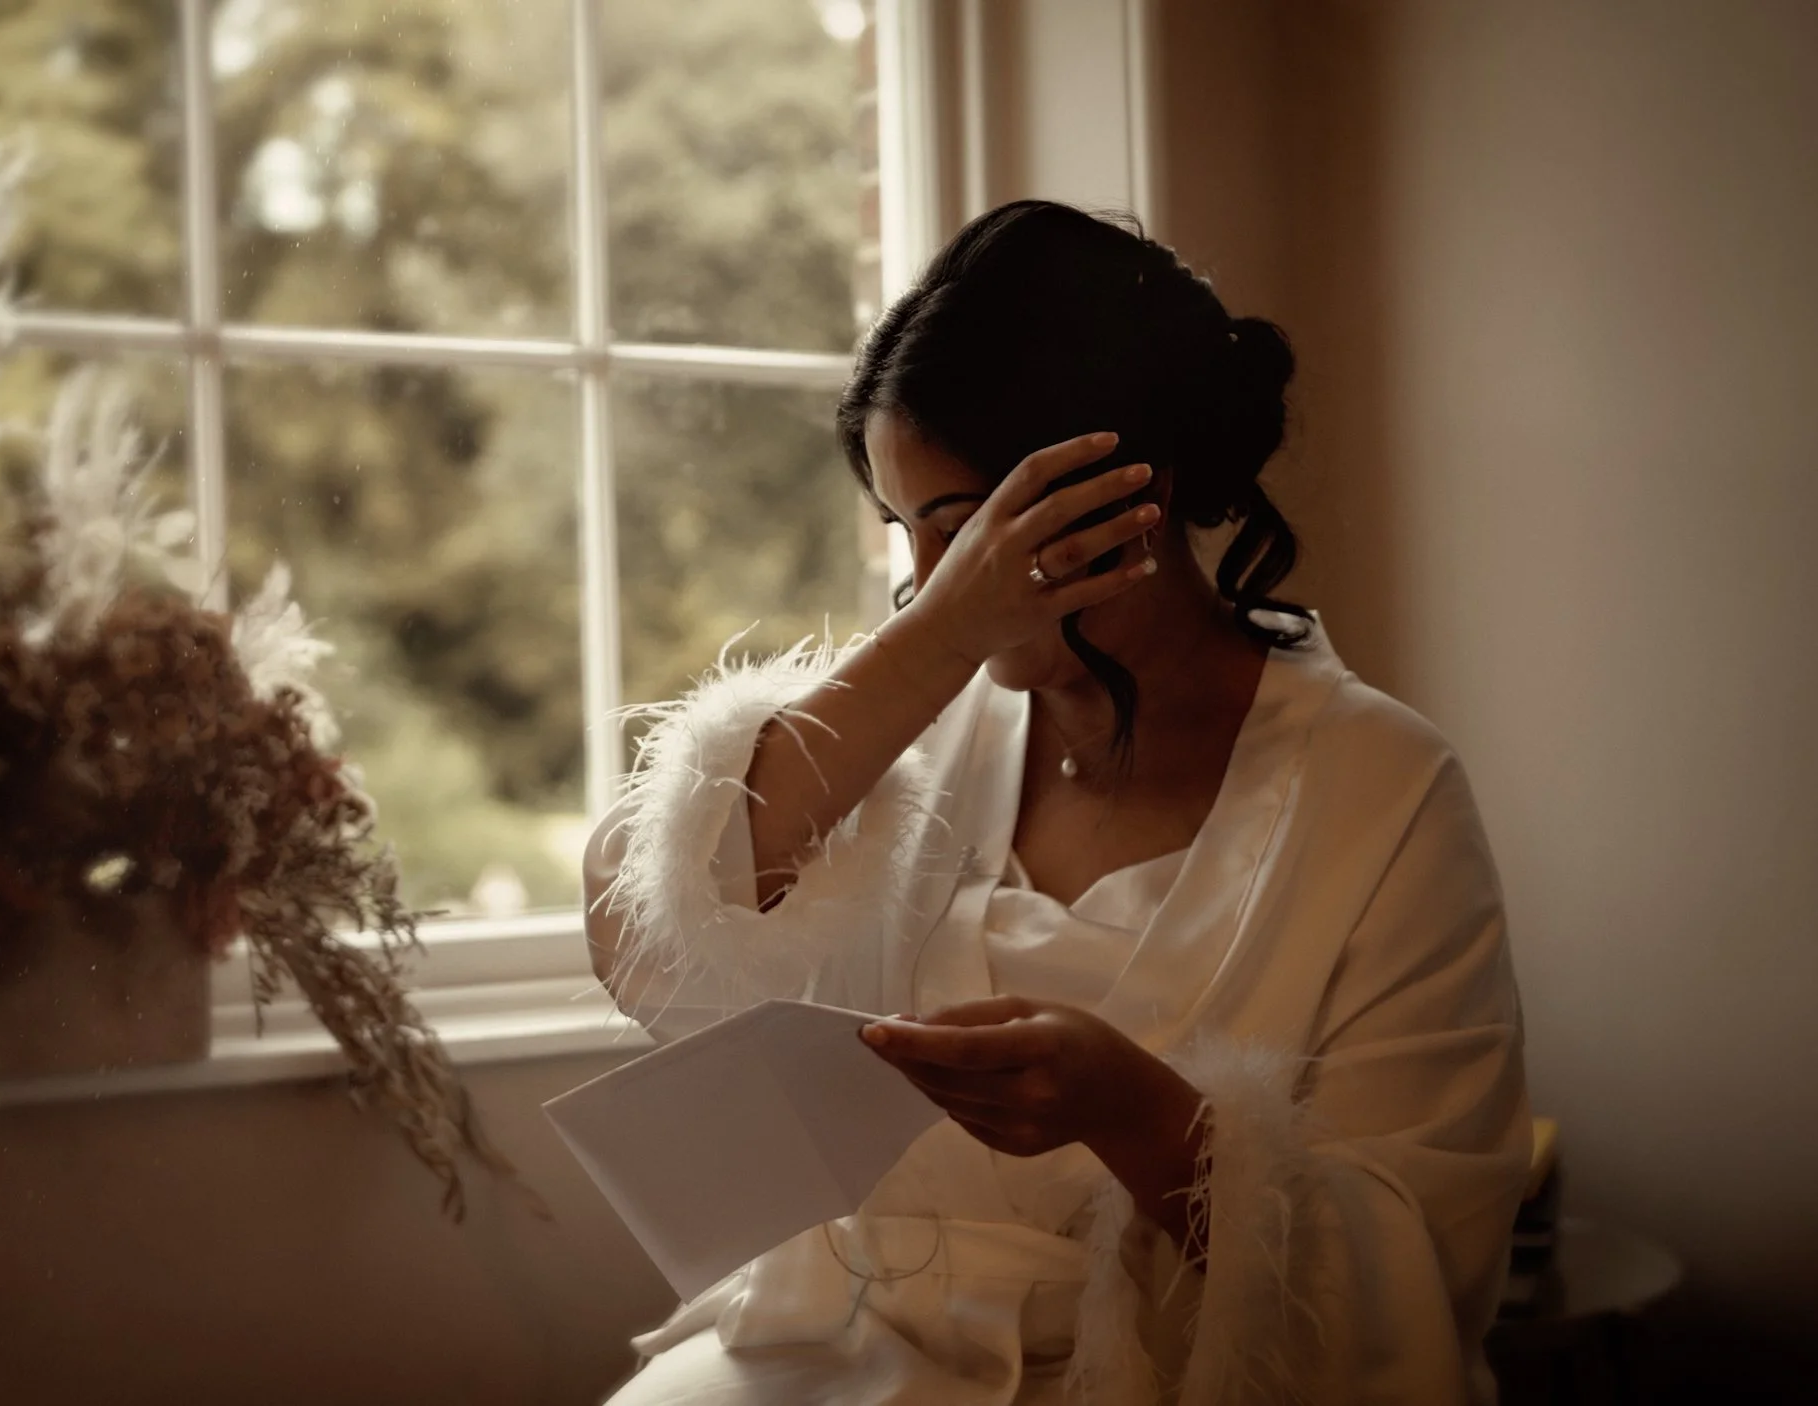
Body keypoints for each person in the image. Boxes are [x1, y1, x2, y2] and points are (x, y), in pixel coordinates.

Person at [582, 201, 1530, 1405]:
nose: (935, 585)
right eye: (906, 538)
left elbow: (1415, 1268)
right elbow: (644, 931)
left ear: (1129, 485)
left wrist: (1136, 1111)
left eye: (964, 528)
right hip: (844, 1348)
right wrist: (940, 637)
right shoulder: (918, 727)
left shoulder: (1384, 791)